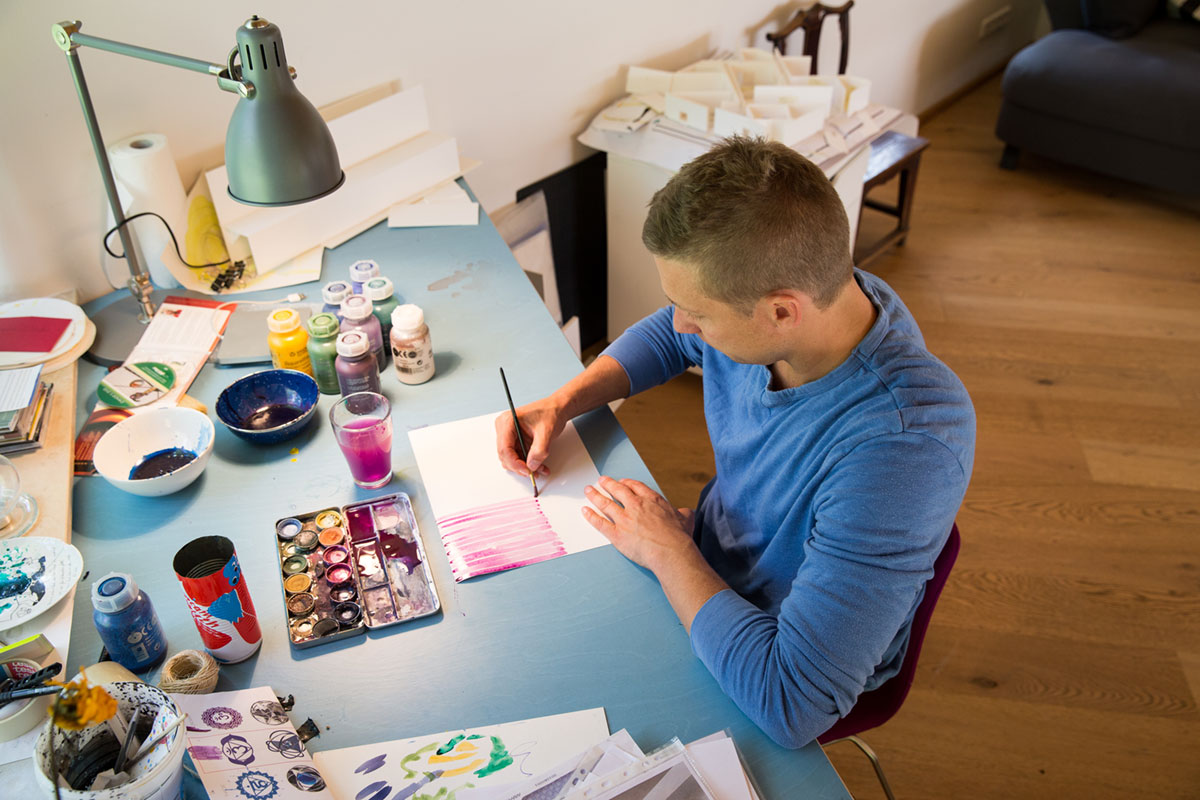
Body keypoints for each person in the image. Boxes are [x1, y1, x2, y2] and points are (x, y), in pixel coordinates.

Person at [495, 136, 975, 748]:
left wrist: (671, 552)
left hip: (768, 656)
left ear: (781, 312)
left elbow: (792, 704)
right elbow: (671, 338)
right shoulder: (817, 301)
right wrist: (563, 402)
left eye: (695, 312)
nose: (681, 323)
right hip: (710, 561)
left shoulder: (904, 450)